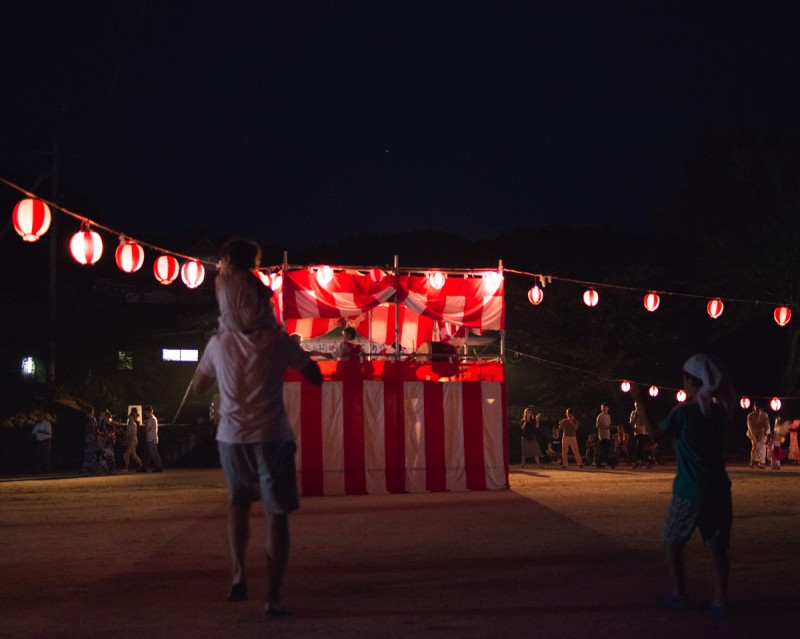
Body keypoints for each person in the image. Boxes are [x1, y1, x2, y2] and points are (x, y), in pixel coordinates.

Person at [192, 313, 323, 617]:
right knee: (276, 513)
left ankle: (238, 576)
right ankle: (272, 598)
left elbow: (199, 387)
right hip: (271, 435)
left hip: (232, 437)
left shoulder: (218, 342)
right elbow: (314, 376)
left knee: (238, 504)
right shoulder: (276, 341)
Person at [639, 353, 736, 616]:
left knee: (671, 540)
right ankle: (720, 600)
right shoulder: (719, 412)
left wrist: (640, 402)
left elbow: (655, 435)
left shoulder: (683, 413)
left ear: (691, 381)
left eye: (684, 377)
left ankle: (679, 594)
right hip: (718, 488)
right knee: (716, 544)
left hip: (690, 489)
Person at [215, 237, 278, 334]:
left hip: (230, 324)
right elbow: (268, 292)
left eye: (223, 259)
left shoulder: (221, 280)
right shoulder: (247, 277)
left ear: (228, 259)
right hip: (253, 321)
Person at [139, 405, 163, 473]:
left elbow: (147, 429)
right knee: (148, 454)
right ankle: (145, 467)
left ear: (149, 412)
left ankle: (159, 467)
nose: (144, 414)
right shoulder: (152, 418)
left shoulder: (151, 419)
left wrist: (143, 428)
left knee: (153, 453)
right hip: (150, 438)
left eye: (145, 412)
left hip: (151, 439)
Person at [746, 401, 769, 469]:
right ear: (754, 408)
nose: (758, 410)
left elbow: (767, 425)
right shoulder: (750, 416)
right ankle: (752, 462)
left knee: (762, 447)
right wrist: (754, 435)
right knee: (755, 446)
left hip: (762, 433)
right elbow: (750, 426)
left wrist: (766, 433)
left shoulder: (765, 415)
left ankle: (761, 463)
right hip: (753, 432)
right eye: (757, 408)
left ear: (761, 409)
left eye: (759, 408)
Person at [95, 409, 117, 475]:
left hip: (107, 440)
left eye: (101, 415)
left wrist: (102, 437)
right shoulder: (108, 422)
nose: (100, 416)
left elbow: (101, 432)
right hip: (108, 440)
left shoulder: (105, 422)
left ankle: (105, 470)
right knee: (109, 455)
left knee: (105, 455)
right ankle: (110, 470)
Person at [631, 401, 651, 468]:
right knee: (638, 448)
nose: (637, 406)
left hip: (643, 432)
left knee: (640, 447)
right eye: (636, 404)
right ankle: (648, 460)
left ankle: (640, 461)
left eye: (638, 405)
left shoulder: (643, 413)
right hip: (636, 432)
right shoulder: (633, 413)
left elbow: (644, 422)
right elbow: (631, 422)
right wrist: (634, 418)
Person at [123, 408, 143, 472]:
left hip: (132, 440)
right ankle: (141, 465)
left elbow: (132, 433)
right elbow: (128, 432)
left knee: (127, 453)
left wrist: (127, 437)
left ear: (132, 417)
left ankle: (126, 468)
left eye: (130, 417)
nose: (129, 418)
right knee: (133, 455)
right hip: (131, 440)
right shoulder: (130, 424)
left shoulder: (134, 424)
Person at [595, 402, 614, 469]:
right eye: (602, 407)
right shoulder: (600, 416)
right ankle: (599, 463)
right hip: (602, 435)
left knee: (606, 449)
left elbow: (609, 425)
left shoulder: (608, 416)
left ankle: (607, 462)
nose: (603, 409)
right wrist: (606, 427)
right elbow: (597, 425)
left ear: (607, 408)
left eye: (605, 407)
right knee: (603, 449)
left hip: (607, 435)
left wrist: (611, 428)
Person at [80, 406, 98, 473]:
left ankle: (90, 467)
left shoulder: (92, 420)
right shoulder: (92, 420)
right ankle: (89, 467)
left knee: (90, 453)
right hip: (90, 439)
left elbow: (91, 430)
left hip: (91, 439)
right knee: (89, 453)